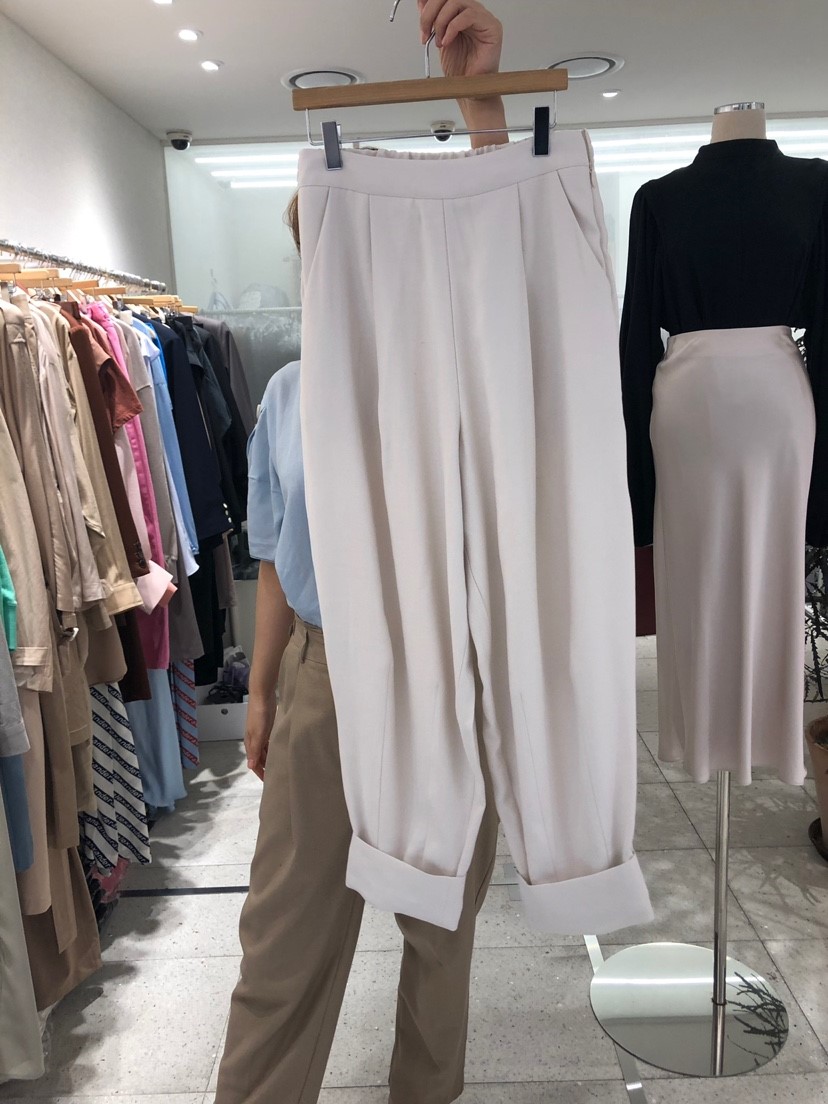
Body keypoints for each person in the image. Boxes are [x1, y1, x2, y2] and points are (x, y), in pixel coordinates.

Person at [214, 4, 511, 1103]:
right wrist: (261, 695)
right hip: (323, 677)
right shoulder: (288, 397)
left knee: (438, 941)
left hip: (445, 674)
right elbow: (276, 555)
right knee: (281, 944)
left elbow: (514, 269)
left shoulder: (464, 381)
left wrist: (481, 104)